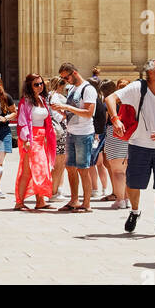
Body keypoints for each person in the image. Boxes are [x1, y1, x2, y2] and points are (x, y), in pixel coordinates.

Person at [108, 60, 155, 237]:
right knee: (133, 183)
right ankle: (135, 211)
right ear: (151, 73)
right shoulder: (137, 88)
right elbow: (110, 98)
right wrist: (115, 119)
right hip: (139, 145)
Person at [52, 63, 96, 212]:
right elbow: (71, 114)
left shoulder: (88, 89)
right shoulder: (72, 89)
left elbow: (88, 113)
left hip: (84, 134)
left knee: (83, 169)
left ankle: (87, 203)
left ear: (75, 73)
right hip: (71, 132)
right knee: (70, 168)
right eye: (63, 79)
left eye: (66, 77)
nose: (65, 81)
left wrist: (66, 107)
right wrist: (60, 111)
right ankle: (74, 200)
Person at [15, 74, 56, 211]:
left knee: (41, 169)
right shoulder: (25, 101)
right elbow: (22, 121)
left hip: (42, 139)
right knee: (27, 170)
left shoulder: (42, 100)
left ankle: (40, 201)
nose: (40, 86)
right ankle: (19, 202)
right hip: (30, 139)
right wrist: (26, 139)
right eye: (36, 84)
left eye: (41, 83)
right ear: (29, 86)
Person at [102, 78, 130, 209]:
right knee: (127, 171)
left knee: (118, 171)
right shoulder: (134, 102)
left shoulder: (112, 102)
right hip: (131, 137)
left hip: (115, 135)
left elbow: (106, 120)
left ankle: (120, 200)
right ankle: (127, 199)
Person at [87, 81, 110, 199]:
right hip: (101, 133)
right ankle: (104, 188)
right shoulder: (102, 100)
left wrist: (97, 133)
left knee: (91, 163)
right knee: (100, 163)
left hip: (96, 134)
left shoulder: (94, 101)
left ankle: (95, 189)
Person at [47, 76, 68, 199]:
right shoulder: (55, 96)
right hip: (60, 131)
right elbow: (56, 114)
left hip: (56, 131)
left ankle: (55, 190)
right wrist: (67, 114)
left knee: (58, 163)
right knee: (59, 163)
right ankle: (53, 192)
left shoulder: (49, 95)